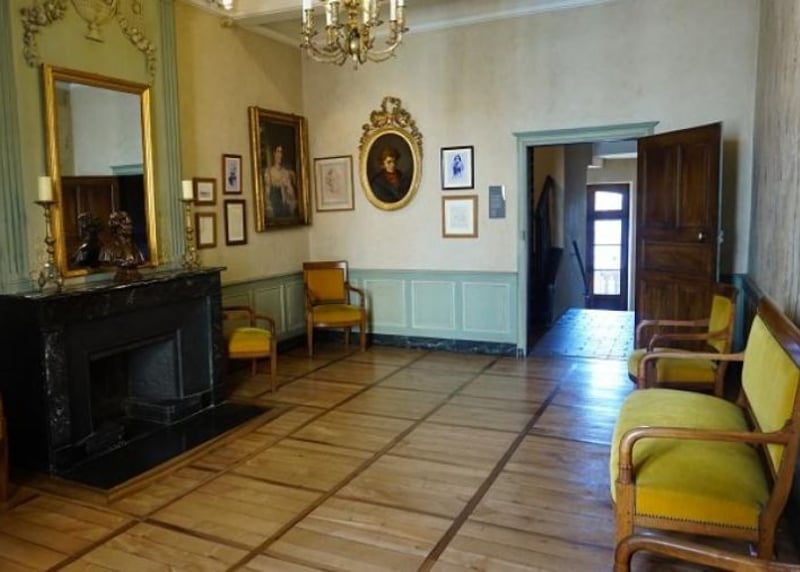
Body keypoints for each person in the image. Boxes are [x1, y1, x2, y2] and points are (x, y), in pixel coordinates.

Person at [99, 210, 144, 282]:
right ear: (117, 228)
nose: (130, 227)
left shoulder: (135, 246)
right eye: (126, 225)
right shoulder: (107, 249)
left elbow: (139, 259)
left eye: (130, 224)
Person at [263, 144, 298, 218]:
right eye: (278, 152)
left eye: (281, 152)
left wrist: (289, 188)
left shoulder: (286, 172)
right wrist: (269, 207)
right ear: (274, 153)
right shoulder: (268, 172)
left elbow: (291, 195)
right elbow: (267, 193)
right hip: (274, 207)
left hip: (285, 207)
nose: (280, 155)